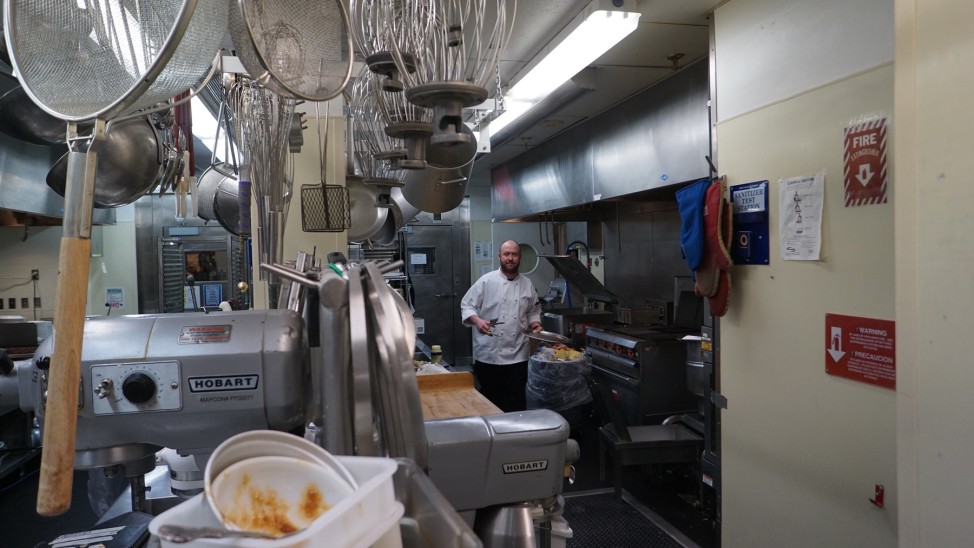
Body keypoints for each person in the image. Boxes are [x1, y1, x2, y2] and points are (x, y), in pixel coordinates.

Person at [461, 240, 543, 412]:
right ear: (499, 256)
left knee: (516, 401)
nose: (510, 258)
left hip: (518, 355)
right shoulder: (486, 281)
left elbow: (533, 311)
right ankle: (492, 436)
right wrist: (477, 321)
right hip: (488, 353)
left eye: (514, 254)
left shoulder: (527, 284)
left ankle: (516, 436)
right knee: (489, 401)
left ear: (519, 257)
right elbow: (467, 305)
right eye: (507, 254)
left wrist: (536, 324)